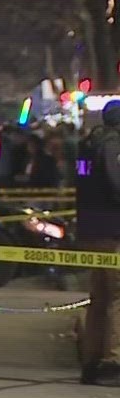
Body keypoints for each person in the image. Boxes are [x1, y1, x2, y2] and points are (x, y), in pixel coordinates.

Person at [74, 101, 120, 383]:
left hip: (92, 228)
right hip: (113, 228)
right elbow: (117, 184)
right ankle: (115, 360)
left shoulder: (88, 144)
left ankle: (92, 361)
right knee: (118, 297)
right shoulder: (114, 146)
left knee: (99, 298)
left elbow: (83, 182)